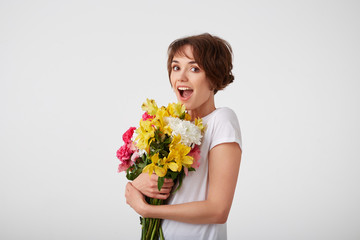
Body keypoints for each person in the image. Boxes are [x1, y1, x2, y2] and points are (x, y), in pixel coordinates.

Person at [125, 33, 242, 240]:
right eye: (176, 67)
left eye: (194, 68)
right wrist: (136, 183)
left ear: (213, 77)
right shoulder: (168, 123)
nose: (181, 77)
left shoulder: (221, 120)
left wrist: (148, 210)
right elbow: (157, 187)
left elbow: (218, 210)